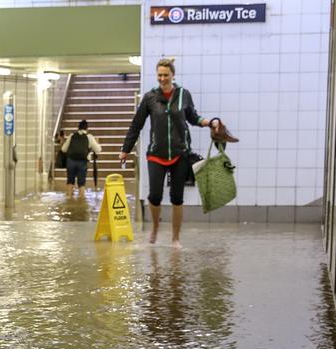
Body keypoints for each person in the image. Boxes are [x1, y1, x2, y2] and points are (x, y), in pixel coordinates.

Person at [119, 57, 224, 244]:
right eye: (159, 75)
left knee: (177, 197)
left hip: (180, 153)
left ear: (173, 75)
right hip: (156, 154)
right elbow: (137, 124)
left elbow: (193, 117)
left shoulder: (184, 94)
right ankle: (155, 228)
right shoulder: (150, 97)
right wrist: (125, 149)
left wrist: (210, 122)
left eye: (165, 75)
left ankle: (175, 238)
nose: (162, 79)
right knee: (155, 195)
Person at [61, 119, 102, 195]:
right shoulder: (89, 137)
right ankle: (81, 201)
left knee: (70, 181)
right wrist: (96, 142)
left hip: (71, 161)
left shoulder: (72, 136)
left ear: (78, 128)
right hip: (82, 162)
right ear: (87, 128)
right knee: (81, 183)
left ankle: (69, 198)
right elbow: (98, 150)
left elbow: (63, 149)